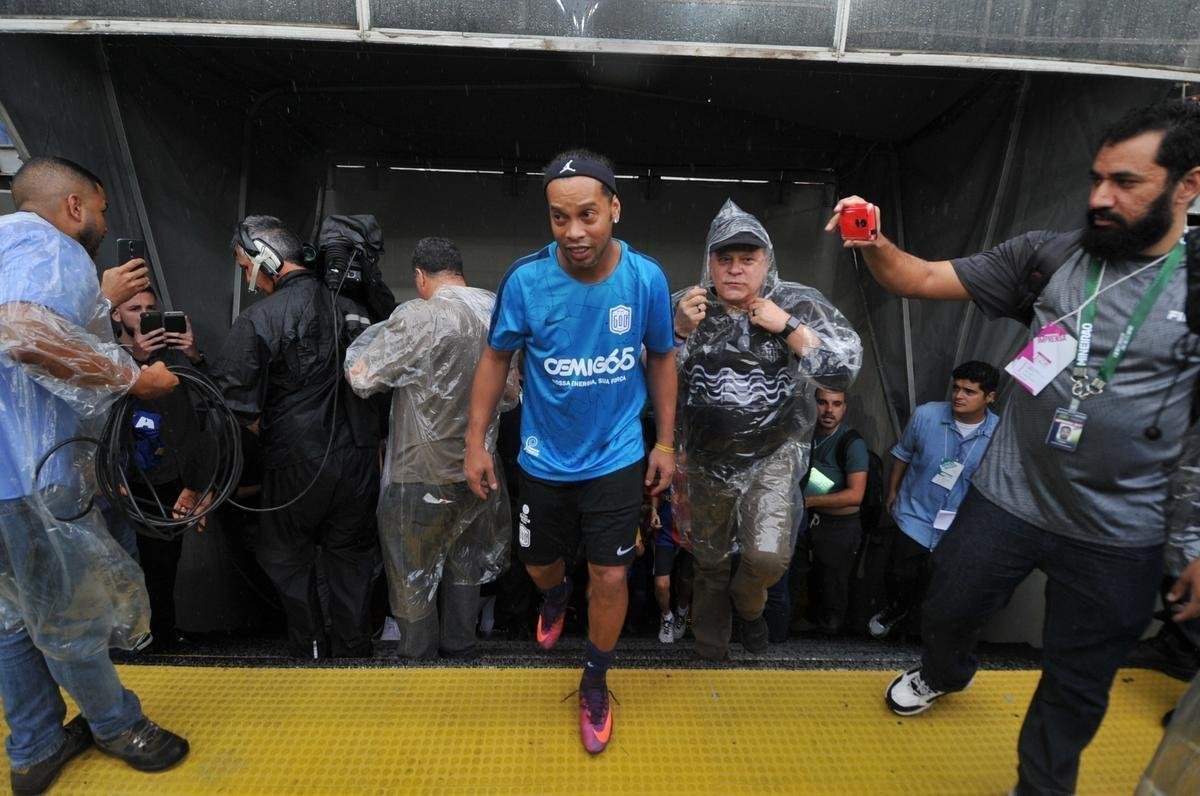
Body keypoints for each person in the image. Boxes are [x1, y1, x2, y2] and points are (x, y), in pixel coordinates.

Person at [826, 99, 1200, 795]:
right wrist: (872, 238)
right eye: (1096, 179)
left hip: (1121, 532)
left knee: (1076, 681)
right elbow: (918, 277)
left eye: (1125, 182)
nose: (1100, 197)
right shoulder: (1049, 257)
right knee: (945, 609)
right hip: (1009, 499)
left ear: (1189, 186)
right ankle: (945, 672)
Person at [464, 149, 676, 755]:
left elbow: (663, 357)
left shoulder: (645, 279)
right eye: (560, 218)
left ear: (615, 208)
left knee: (611, 574)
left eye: (587, 214)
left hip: (616, 454)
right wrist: (476, 440)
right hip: (543, 457)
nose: (574, 231)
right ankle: (556, 595)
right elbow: (495, 357)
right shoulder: (526, 280)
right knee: (537, 565)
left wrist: (666, 441)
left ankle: (595, 680)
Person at [0, 156, 189, 794]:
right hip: (29, 475)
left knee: (12, 617)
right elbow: (22, 333)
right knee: (68, 612)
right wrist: (135, 378)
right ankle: (117, 725)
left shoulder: (4, 243)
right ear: (75, 205)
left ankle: (34, 747)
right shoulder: (52, 246)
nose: (104, 225)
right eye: (102, 210)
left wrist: (97, 298)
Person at [672, 200, 862, 659]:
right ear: (710, 263)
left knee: (768, 556)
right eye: (725, 259)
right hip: (705, 459)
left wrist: (789, 327)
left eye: (747, 259)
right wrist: (675, 332)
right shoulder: (689, 307)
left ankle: (749, 604)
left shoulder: (797, 303)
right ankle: (711, 650)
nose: (735, 269)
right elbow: (642, 379)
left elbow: (841, 373)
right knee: (709, 561)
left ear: (766, 261)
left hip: (772, 457)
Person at [211, 215, 382, 660]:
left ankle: (310, 652)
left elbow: (233, 405)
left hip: (295, 462)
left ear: (265, 259)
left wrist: (205, 478)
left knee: (284, 554)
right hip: (361, 460)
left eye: (244, 266)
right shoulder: (357, 308)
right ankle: (354, 655)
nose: (247, 279)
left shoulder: (259, 318)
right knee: (352, 559)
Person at [344, 237, 512, 659]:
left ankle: (418, 658)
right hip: (478, 470)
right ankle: (461, 648)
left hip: (419, 471)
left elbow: (363, 377)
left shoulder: (418, 316)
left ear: (420, 276)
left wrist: (360, 354)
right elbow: (510, 393)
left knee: (411, 572)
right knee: (465, 564)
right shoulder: (493, 310)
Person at [109, 288, 214, 650]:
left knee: (163, 564)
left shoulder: (174, 359)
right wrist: (136, 362)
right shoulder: (106, 356)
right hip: (126, 479)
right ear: (116, 314)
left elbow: (207, 410)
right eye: (134, 308)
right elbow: (101, 413)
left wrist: (194, 356)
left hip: (169, 475)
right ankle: (136, 639)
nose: (144, 315)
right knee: (128, 562)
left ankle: (163, 637)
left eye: (150, 309)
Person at [868, 361, 1000, 640]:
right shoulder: (926, 415)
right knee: (899, 574)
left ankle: (920, 634)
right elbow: (903, 455)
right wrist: (892, 492)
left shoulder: (998, 434)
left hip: (959, 523)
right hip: (915, 512)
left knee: (940, 584)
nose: (959, 396)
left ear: (989, 397)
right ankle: (895, 609)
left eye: (969, 391)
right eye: (956, 388)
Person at [792, 388, 869, 636]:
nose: (829, 410)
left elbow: (856, 495)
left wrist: (809, 501)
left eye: (836, 404)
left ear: (844, 408)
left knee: (833, 583)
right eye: (823, 403)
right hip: (810, 519)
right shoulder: (807, 434)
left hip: (839, 525)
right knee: (810, 577)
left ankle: (832, 639)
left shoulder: (852, 443)